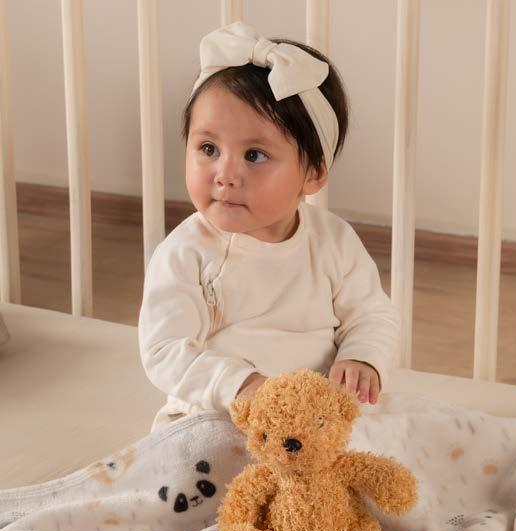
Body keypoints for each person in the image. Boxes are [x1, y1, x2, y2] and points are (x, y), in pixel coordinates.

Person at [139, 21, 400, 431]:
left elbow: (372, 314)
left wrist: (362, 357)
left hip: (318, 421)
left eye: (254, 155)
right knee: (197, 456)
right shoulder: (186, 251)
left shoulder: (333, 241)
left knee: (394, 437)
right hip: (221, 414)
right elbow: (164, 349)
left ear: (313, 173)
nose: (225, 174)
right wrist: (242, 385)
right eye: (208, 148)